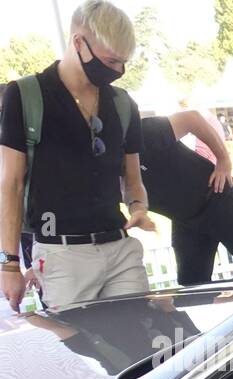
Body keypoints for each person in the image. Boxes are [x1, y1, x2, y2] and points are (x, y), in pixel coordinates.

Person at [0, 2, 153, 312]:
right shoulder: (26, 95)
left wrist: (138, 206)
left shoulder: (123, 104)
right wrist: (10, 265)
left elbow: (133, 180)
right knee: (82, 354)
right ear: (78, 42)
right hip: (61, 255)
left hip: (120, 248)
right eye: (110, 60)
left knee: (141, 344)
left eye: (123, 63)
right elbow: (11, 184)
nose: (117, 71)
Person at [139, 110, 233, 286]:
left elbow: (192, 119)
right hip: (185, 220)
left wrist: (223, 160)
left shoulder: (143, 133)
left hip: (219, 200)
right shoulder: (100, 173)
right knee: (191, 287)